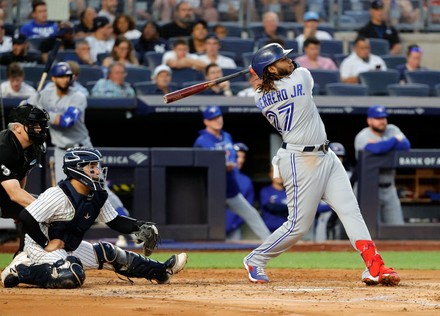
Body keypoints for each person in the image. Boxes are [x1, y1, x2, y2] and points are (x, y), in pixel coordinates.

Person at [243, 43, 400, 286]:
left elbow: (270, 81)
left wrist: (262, 71)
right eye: (283, 59)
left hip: (326, 156)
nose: (290, 60)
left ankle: (374, 265)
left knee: (350, 210)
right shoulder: (301, 78)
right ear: (272, 70)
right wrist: (263, 70)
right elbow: (296, 71)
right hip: (299, 160)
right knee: (298, 225)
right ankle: (256, 258)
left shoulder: (259, 96)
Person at [0, 147, 188, 288]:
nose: (97, 170)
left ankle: (161, 270)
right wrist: (45, 243)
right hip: (41, 247)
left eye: (97, 166)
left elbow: (114, 220)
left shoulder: (96, 194)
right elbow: (26, 216)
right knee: (71, 275)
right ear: (77, 170)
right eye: (92, 166)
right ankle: (22, 270)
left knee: (109, 253)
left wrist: (139, 226)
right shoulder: (57, 195)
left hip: (68, 245)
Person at [193, 105, 271, 240]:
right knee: (205, 222)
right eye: (213, 119)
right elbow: (198, 168)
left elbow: (232, 156)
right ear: (206, 122)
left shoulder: (226, 136)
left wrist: (230, 164)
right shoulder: (201, 141)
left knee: (251, 214)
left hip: (231, 189)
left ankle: (271, 243)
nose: (217, 121)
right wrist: (221, 166)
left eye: (218, 117)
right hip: (212, 192)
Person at [0, 104, 49, 254]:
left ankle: (24, 257)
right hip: (6, 193)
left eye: (40, 124)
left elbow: (21, 177)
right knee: (41, 209)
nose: (39, 129)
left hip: (3, 195)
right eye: (33, 124)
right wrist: (45, 209)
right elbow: (15, 193)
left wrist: (21, 209)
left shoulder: (33, 147)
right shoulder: (3, 147)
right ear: (17, 128)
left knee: (30, 213)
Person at [354, 105, 410, 225]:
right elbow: (376, 149)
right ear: (369, 120)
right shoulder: (362, 136)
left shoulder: (392, 129)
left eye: (384, 118)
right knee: (370, 229)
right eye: (378, 118)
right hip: (368, 189)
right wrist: (394, 141)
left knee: (397, 227)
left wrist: (384, 145)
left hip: (390, 188)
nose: (382, 121)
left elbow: (406, 146)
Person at [225, 142, 253, 240]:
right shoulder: (217, 176)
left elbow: (248, 208)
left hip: (234, 230)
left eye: (243, 157)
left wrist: (234, 225)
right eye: (237, 156)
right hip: (215, 228)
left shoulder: (246, 180)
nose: (240, 160)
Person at [259, 166, 288, 233]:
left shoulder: (291, 192)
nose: (279, 175)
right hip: (269, 230)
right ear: (270, 174)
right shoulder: (266, 191)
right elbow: (270, 206)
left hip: (287, 231)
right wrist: (289, 207)